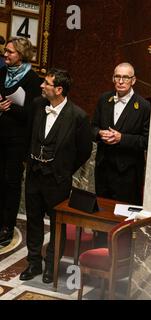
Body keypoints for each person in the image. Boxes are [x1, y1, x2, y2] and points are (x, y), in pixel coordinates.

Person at [19, 68, 92, 284]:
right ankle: (33, 263)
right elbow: (27, 134)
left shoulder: (78, 116)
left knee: (57, 223)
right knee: (33, 221)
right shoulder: (37, 105)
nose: (42, 86)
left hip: (57, 180)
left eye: (47, 83)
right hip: (34, 175)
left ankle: (51, 266)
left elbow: (84, 150)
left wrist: (63, 169)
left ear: (59, 89)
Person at [0, 37, 41, 247]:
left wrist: (11, 108)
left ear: (22, 55)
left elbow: (33, 114)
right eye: (5, 51)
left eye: (10, 52)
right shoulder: (1, 73)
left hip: (17, 141)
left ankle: (7, 226)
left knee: (11, 182)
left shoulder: (33, 80)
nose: (5, 55)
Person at [92, 62, 151, 206]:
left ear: (133, 80)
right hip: (103, 169)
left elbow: (147, 141)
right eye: (117, 77)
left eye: (125, 77)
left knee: (121, 219)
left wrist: (122, 138)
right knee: (101, 212)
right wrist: (100, 133)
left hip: (128, 174)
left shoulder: (144, 107)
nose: (120, 81)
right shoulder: (104, 99)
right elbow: (92, 127)